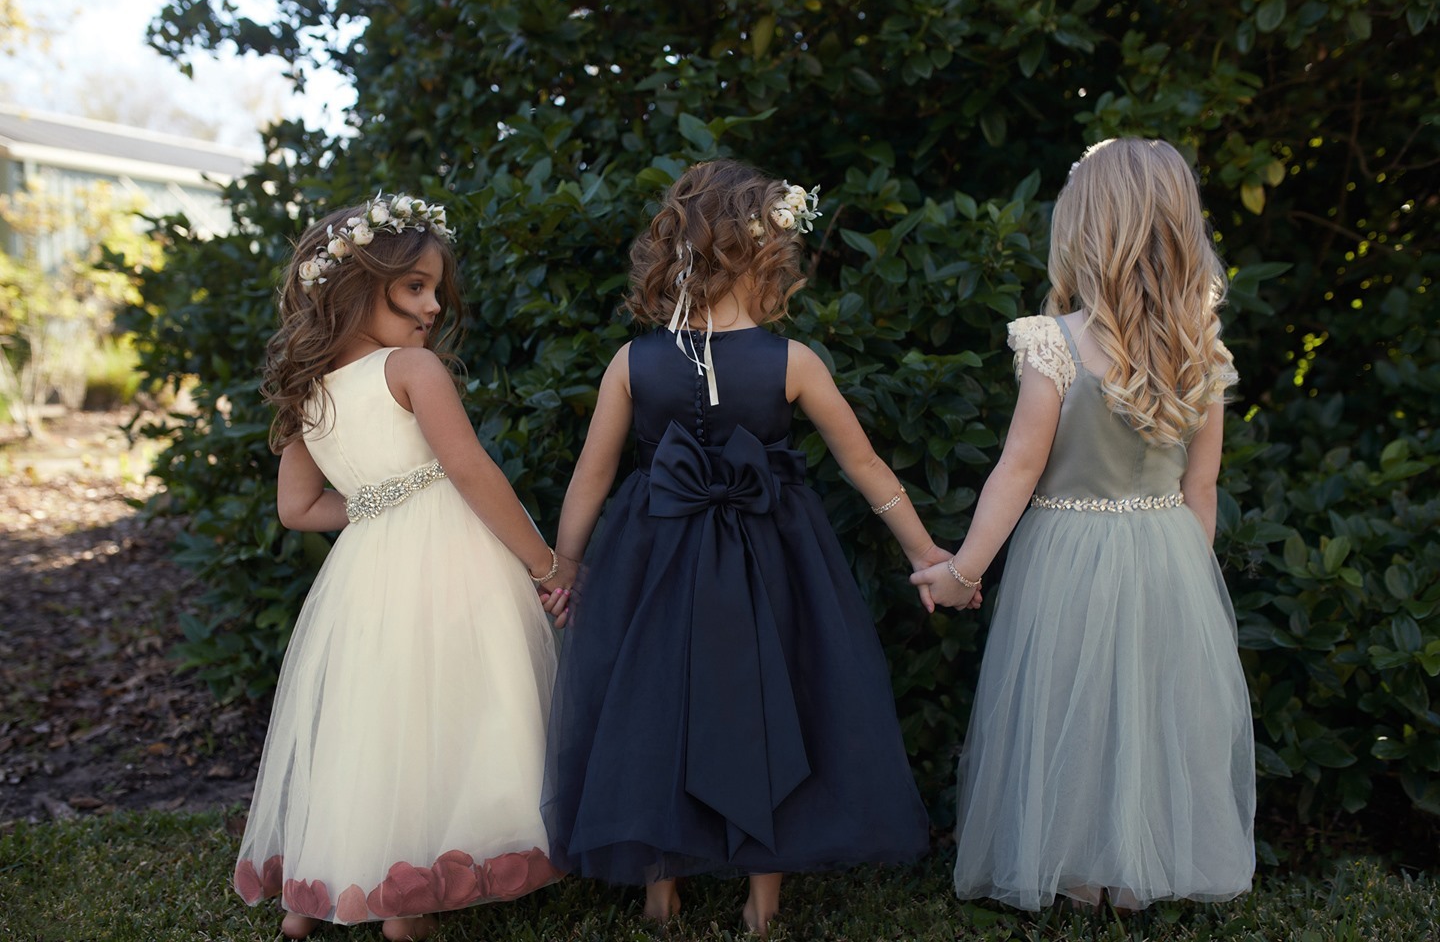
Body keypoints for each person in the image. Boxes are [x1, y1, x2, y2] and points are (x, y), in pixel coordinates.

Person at [540, 160, 948, 936]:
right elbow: (868, 470)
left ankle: (661, 886)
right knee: (773, 699)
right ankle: (763, 899)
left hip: (653, 557)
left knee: (655, 700)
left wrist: (566, 568)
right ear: (762, 254)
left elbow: (589, 481)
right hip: (772, 557)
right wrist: (928, 553)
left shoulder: (632, 362)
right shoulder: (793, 361)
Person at [912, 137, 1255, 911]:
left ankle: (1073, 867)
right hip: (1169, 550)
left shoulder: (1054, 343)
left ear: (1088, 230)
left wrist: (963, 572)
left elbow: (1018, 470)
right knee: (1146, 712)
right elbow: (1203, 489)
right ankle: (1134, 870)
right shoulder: (1204, 351)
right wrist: (1189, 586)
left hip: (1067, 552)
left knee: (1068, 706)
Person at [233, 193, 569, 941]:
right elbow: (473, 473)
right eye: (414, 286)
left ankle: (307, 903)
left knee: (370, 719)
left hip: (367, 565)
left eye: (436, 290)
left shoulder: (307, 390)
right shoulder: (412, 369)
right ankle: (405, 905)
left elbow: (298, 508)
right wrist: (545, 564)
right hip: (447, 554)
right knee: (449, 709)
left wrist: (372, 506)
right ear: (355, 285)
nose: (432, 306)